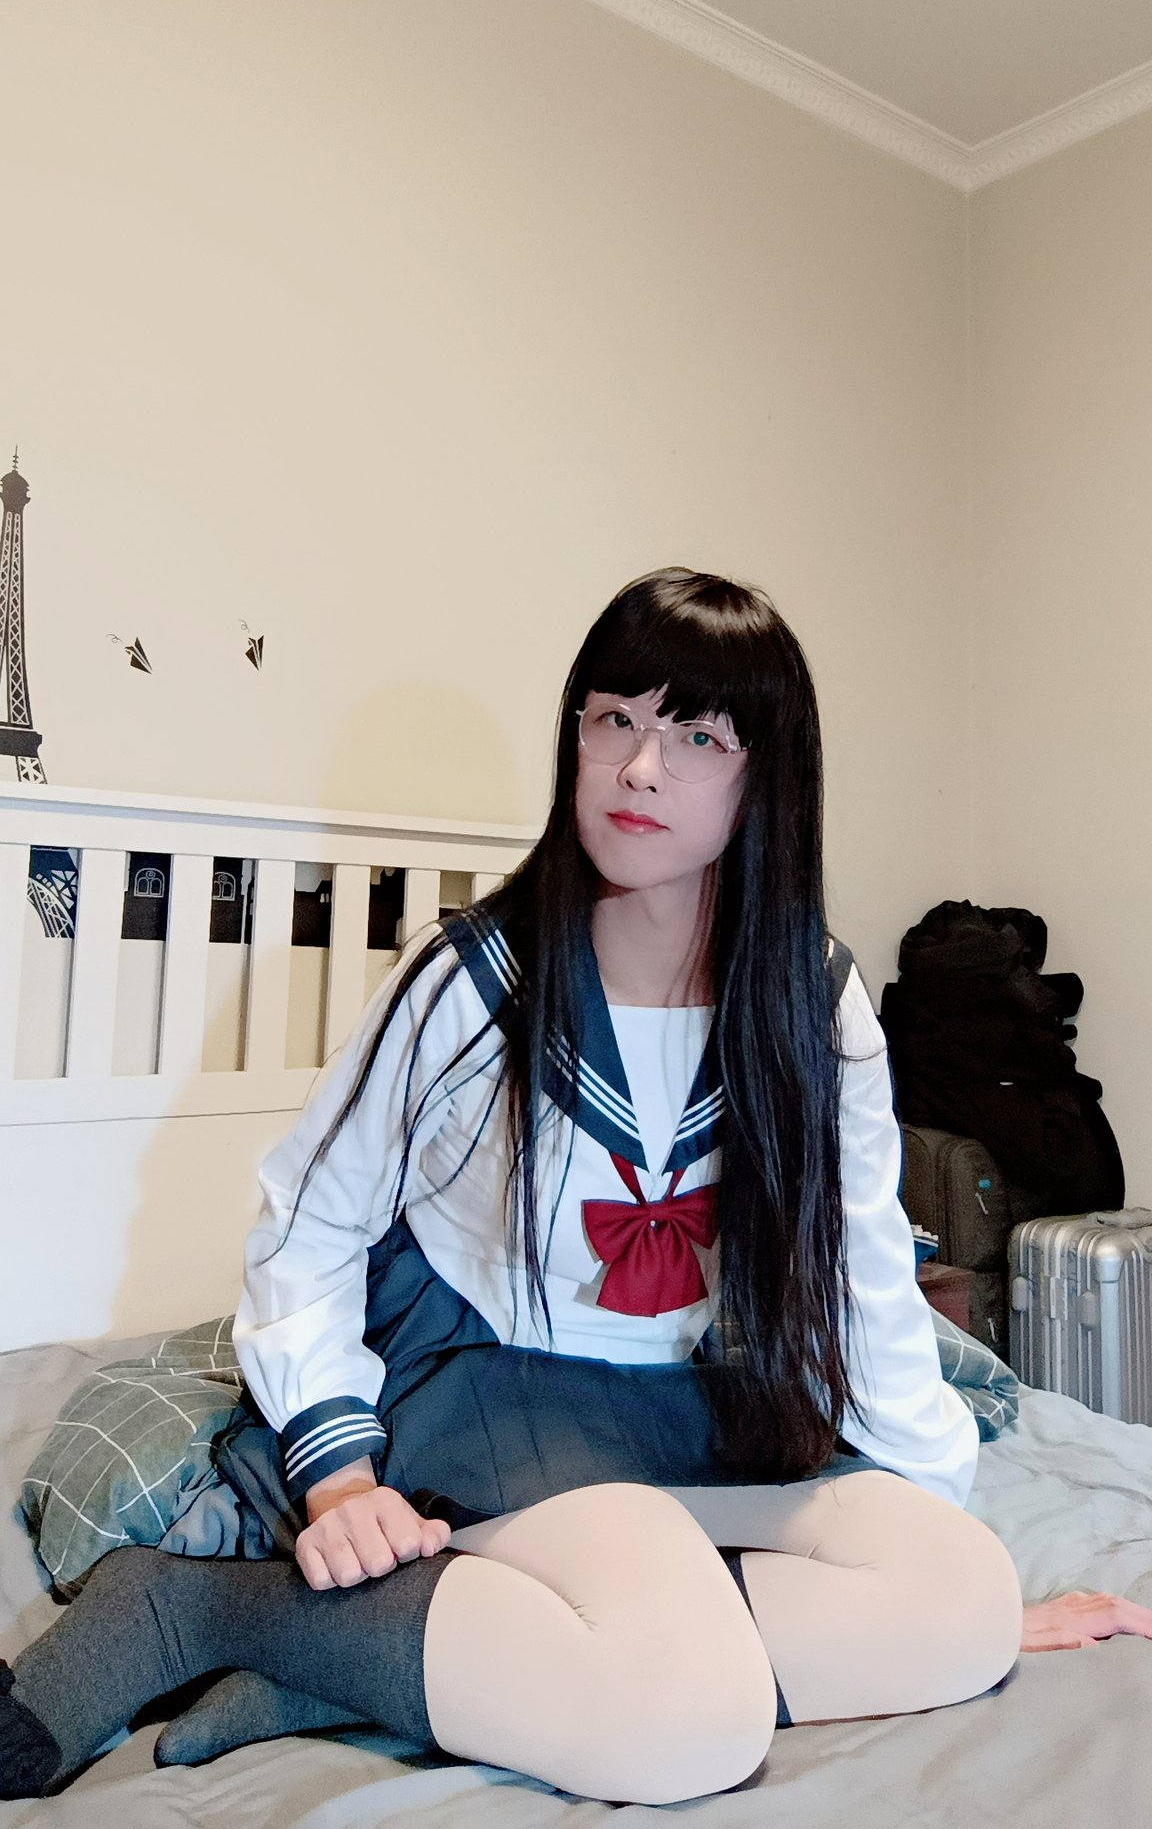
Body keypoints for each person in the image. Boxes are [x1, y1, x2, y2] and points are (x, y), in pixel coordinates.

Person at [2, 568, 1131, 1808]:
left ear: (767, 778)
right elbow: (309, 1225)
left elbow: (865, 1278)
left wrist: (939, 1566)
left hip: (704, 1401)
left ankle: (376, 1664)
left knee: (961, 1598)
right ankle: (194, 1608)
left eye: (697, 737)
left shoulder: (814, 1001)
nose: (641, 766)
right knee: (687, 1717)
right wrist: (340, 1477)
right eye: (614, 720)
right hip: (499, 1394)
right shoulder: (470, 982)